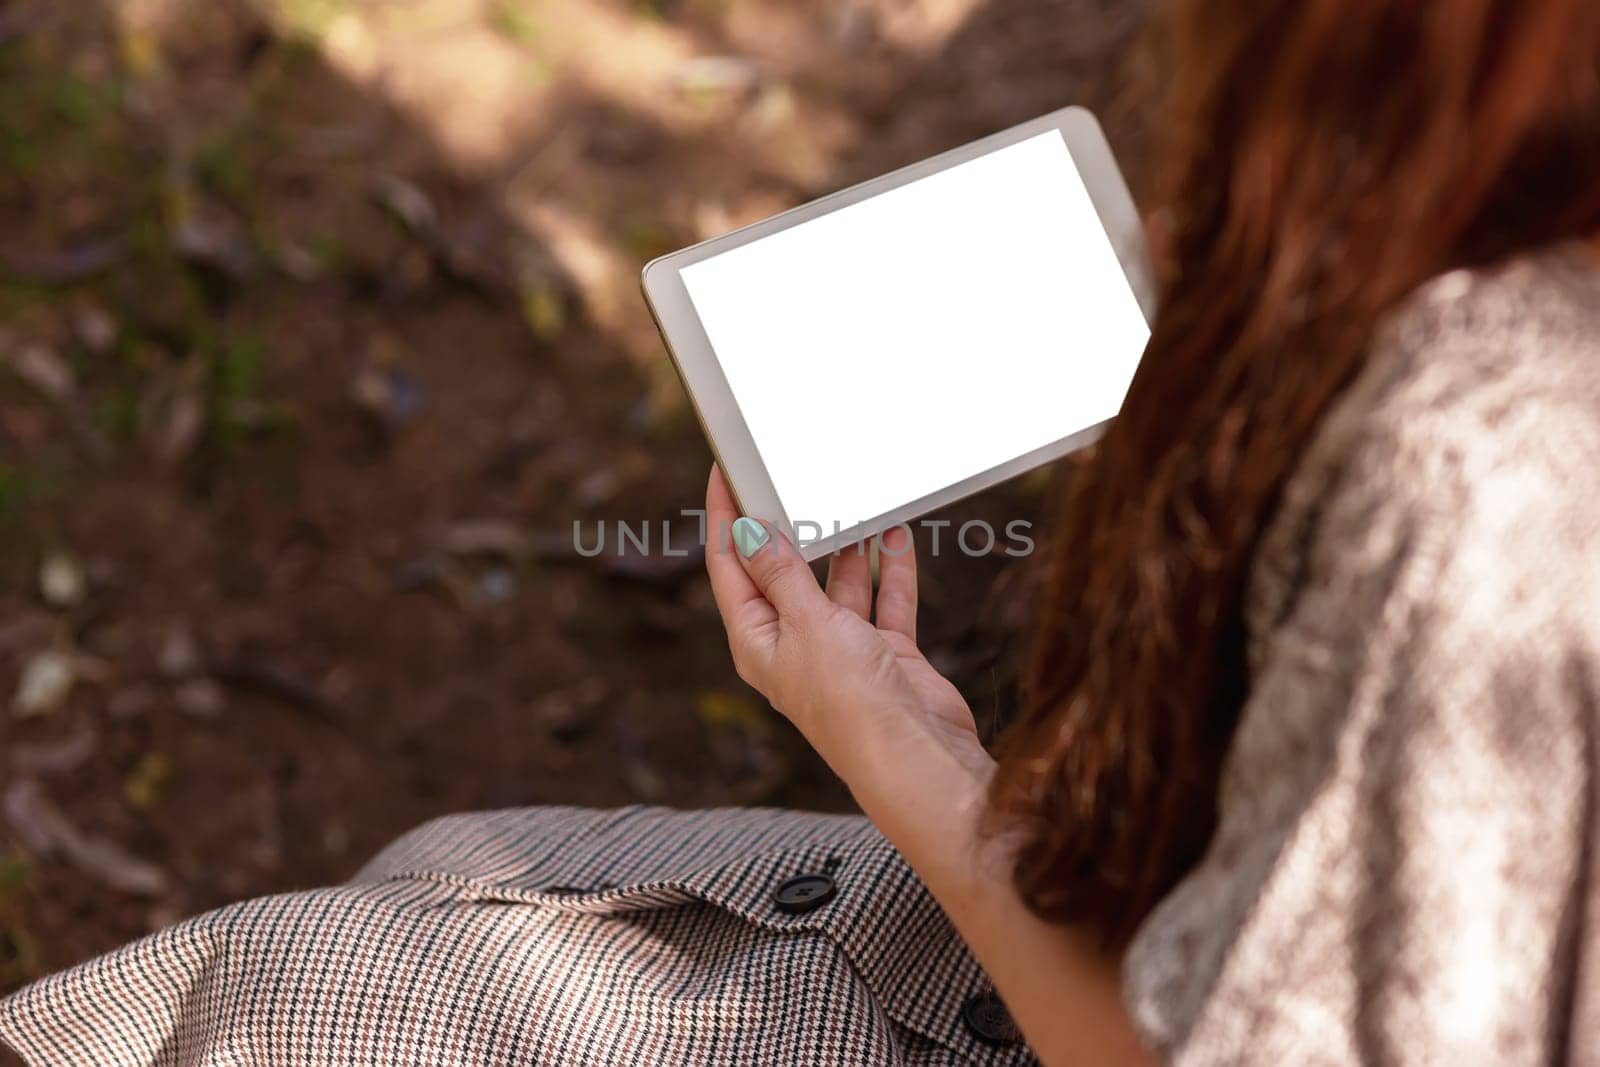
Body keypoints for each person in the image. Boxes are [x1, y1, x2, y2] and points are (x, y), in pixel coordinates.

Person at [6, 0, 1600, 1063]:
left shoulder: (1471, 466)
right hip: (1152, 905)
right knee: (442, 877)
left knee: (313, 1003)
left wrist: (899, 752)